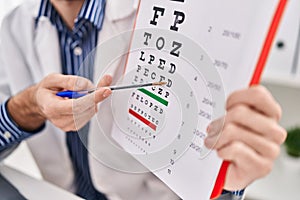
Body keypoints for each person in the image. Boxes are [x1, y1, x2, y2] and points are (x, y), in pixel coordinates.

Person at [0, 0, 286, 200]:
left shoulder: (165, 12)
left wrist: (224, 182)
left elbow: (199, 167)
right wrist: (27, 106)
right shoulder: (13, 27)